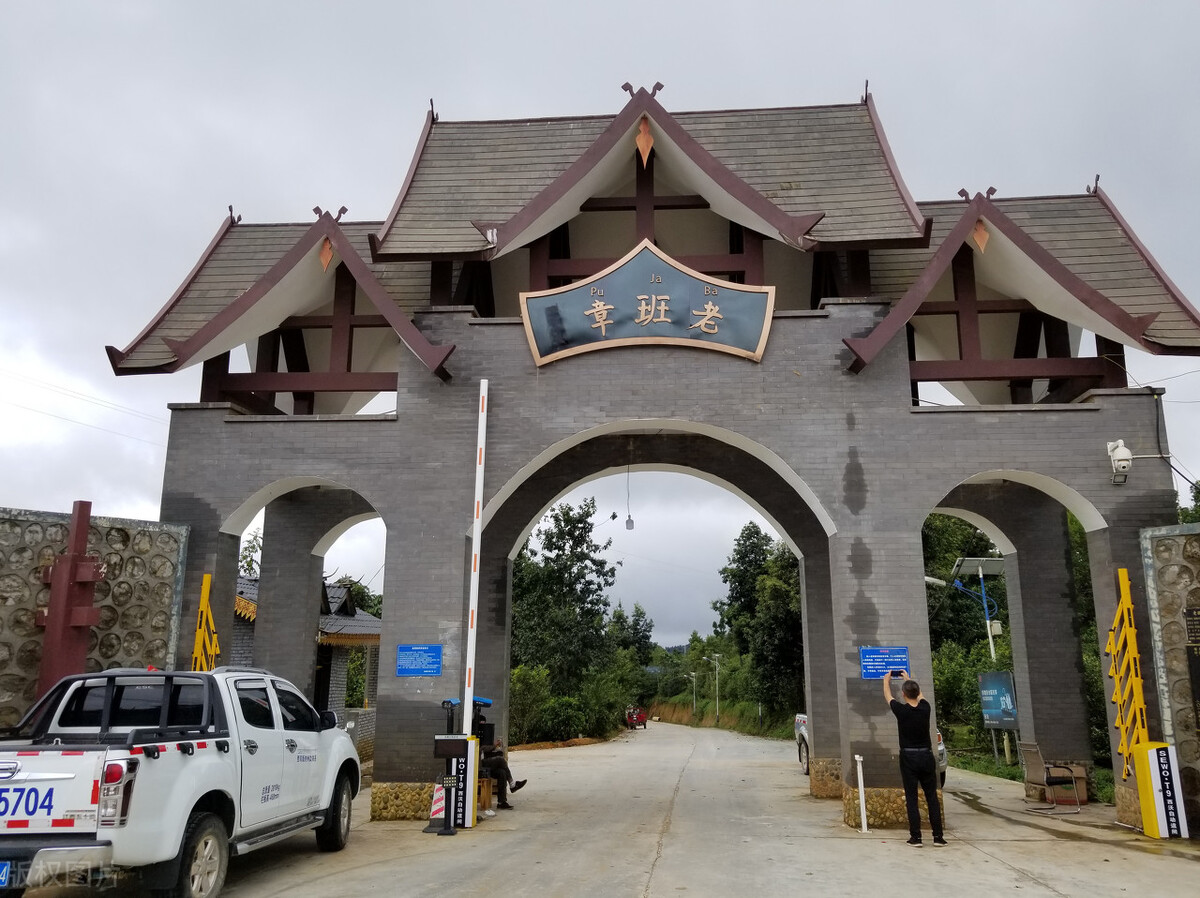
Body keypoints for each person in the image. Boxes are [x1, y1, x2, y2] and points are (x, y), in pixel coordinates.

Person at [883, 669, 945, 847]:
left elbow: (888, 696)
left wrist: (886, 680)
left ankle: (916, 837)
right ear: (917, 693)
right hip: (926, 756)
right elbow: (921, 696)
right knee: (931, 796)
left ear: (903, 694)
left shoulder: (901, 711)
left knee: (912, 798)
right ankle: (938, 837)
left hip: (909, 757)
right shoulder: (926, 709)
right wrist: (909, 679)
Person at [480, 737, 526, 810]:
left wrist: (497, 748)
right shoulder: (471, 729)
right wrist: (494, 746)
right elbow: (481, 748)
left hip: (488, 765)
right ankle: (512, 784)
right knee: (500, 760)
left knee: (502, 773)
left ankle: (502, 802)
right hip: (480, 765)